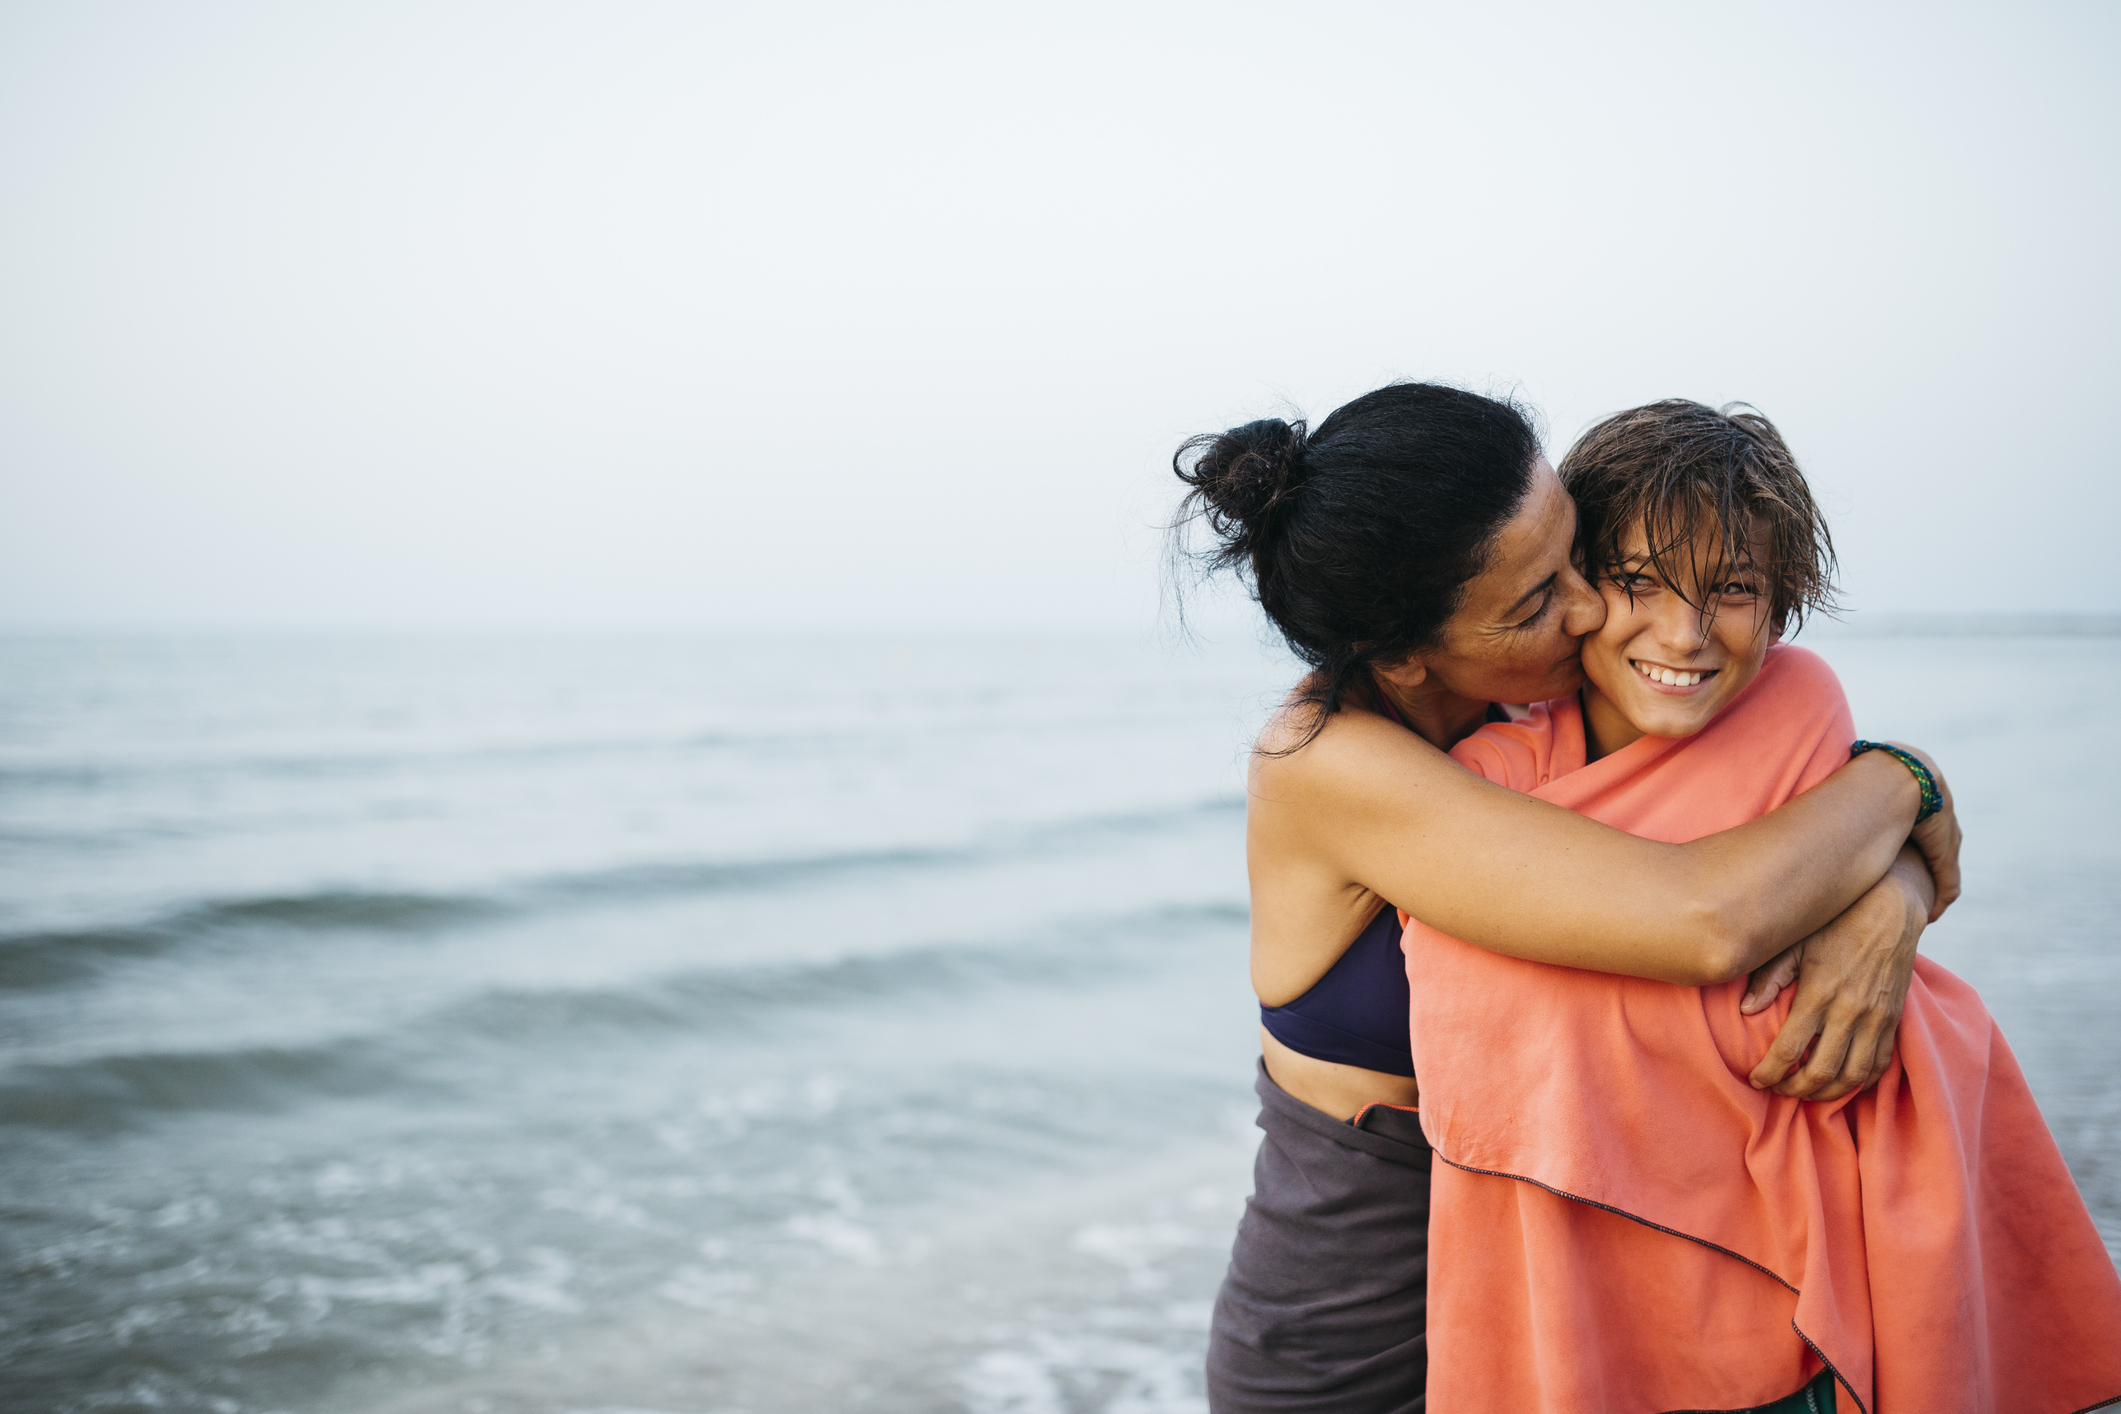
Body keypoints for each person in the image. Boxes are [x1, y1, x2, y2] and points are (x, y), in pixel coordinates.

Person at [1171, 383, 1962, 1414]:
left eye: (1575, 558)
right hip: (1359, 1356)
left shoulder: (1527, 709)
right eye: (1539, 598)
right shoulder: (1326, 764)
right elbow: (1705, 916)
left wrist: (1891, 889)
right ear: (1408, 652)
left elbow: (1761, 815)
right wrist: (1905, 784)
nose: (1589, 610)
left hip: (1568, 1332)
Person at [1402, 400, 2121, 1412]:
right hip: (1577, 1278)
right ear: (1575, 586)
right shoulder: (1486, 781)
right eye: (1638, 581)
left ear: (1780, 605)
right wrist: (1895, 844)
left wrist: (1895, 893)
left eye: (1731, 590)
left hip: (1808, 1285)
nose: (1685, 635)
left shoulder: (1800, 715)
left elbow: (1840, 856)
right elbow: (1499, 1029)